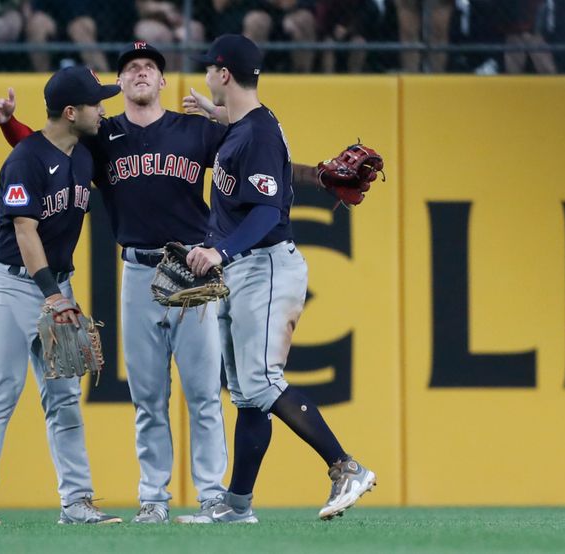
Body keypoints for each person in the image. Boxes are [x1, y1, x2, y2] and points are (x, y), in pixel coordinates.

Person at [0, 43, 231, 524]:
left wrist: (222, 115)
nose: (141, 72)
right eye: (130, 68)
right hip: (139, 272)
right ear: (119, 85)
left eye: (150, 67)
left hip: (191, 272)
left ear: (164, 82)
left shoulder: (195, 129)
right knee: (148, 397)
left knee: (205, 394)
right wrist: (8, 126)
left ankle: (212, 495)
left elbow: (254, 154)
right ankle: (154, 499)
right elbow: (46, 149)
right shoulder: (102, 134)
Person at [182, 34, 376, 523]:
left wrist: (219, 249)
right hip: (247, 268)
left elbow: (267, 211)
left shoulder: (258, 133)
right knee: (248, 394)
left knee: (263, 383)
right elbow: (256, 147)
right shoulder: (249, 124)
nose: (206, 75)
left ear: (225, 74)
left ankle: (345, 466)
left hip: (264, 265)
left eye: (211, 69)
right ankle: (238, 506)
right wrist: (213, 111)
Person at [0, 66, 122, 526]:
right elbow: (25, 232)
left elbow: (47, 143)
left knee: (65, 398)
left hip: (57, 287)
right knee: (2, 391)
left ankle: (76, 503)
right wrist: (55, 296)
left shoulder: (83, 150)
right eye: (96, 102)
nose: (103, 108)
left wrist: (59, 293)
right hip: (11, 286)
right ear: (71, 112)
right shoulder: (24, 161)